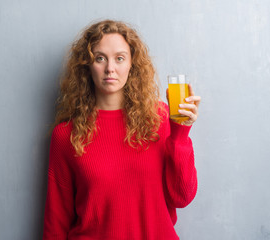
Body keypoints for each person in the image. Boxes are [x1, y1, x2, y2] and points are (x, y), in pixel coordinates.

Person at [42, 19, 201, 240]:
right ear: (87, 66)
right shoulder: (66, 135)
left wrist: (180, 133)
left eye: (119, 58)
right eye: (100, 58)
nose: (110, 68)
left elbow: (182, 197)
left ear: (131, 64)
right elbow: (56, 223)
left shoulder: (161, 118)